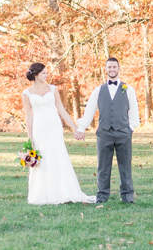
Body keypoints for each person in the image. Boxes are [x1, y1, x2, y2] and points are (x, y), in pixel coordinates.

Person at [21, 62, 96, 205]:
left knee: (58, 155)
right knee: (43, 158)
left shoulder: (53, 89)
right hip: (39, 128)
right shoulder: (27, 94)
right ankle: (44, 195)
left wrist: (75, 128)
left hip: (54, 127)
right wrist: (29, 138)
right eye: (43, 73)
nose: (46, 75)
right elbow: (28, 116)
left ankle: (64, 192)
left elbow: (61, 110)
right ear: (36, 75)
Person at [74, 57, 140, 204]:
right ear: (105, 69)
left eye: (114, 67)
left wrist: (131, 127)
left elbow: (134, 111)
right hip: (104, 133)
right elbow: (89, 111)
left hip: (123, 132)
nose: (112, 70)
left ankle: (128, 197)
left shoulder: (129, 89)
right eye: (109, 67)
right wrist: (81, 127)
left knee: (125, 166)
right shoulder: (98, 90)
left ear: (119, 68)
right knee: (103, 167)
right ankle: (102, 196)